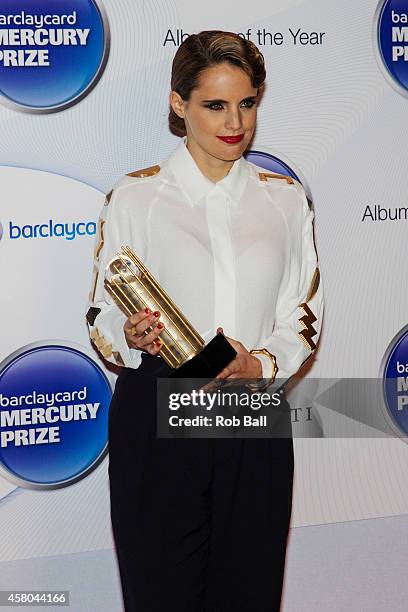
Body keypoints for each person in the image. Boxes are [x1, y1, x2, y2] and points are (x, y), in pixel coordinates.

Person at [86, 30, 323, 612]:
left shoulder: (287, 200)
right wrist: (130, 336)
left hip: (253, 413)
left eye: (247, 103)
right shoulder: (134, 199)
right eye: (215, 105)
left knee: (251, 592)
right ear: (178, 104)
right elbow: (100, 314)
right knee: (160, 595)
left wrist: (262, 363)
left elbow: (305, 311)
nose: (234, 121)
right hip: (159, 410)